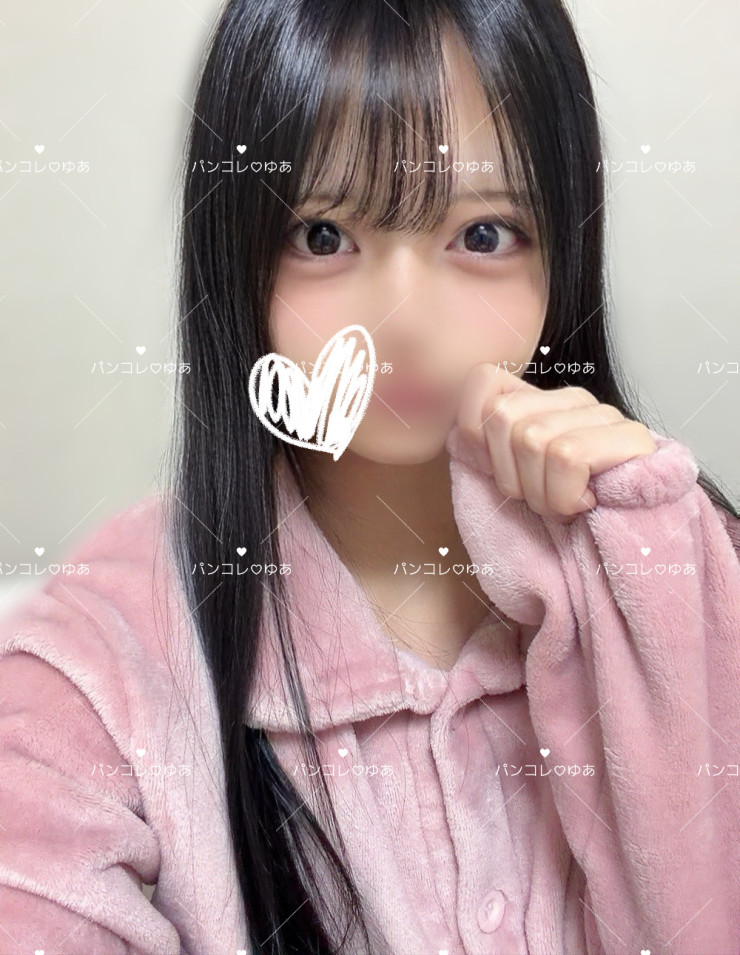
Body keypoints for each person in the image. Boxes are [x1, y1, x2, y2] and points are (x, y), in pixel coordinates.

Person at [1, 1, 739, 952]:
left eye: (483, 234)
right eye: (323, 236)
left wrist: (650, 565)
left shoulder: (684, 564)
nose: (403, 320)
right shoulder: (102, 656)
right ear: (236, 247)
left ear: (564, 245)